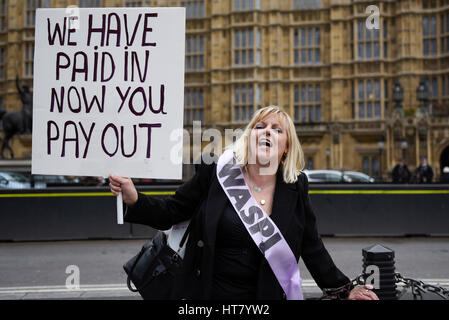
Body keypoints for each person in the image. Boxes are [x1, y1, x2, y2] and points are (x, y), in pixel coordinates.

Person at [109, 106, 378, 300]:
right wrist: (134, 197)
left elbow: (312, 247)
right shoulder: (216, 172)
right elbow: (171, 211)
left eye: (277, 129)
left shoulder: (295, 186)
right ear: (247, 138)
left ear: (286, 147)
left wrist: (345, 291)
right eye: (259, 127)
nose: (267, 132)